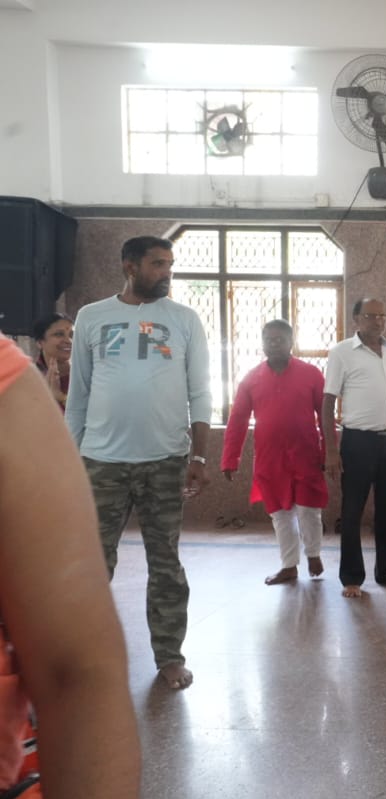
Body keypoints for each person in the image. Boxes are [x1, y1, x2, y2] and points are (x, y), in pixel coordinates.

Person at [0, 334, 141, 799]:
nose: (66, 341)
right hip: (95, 455)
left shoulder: (7, 386)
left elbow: (78, 673)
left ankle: (169, 655)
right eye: (58, 335)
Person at [65, 235, 211, 691]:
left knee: (165, 563)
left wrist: (199, 454)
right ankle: (82, 656)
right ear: (130, 266)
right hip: (101, 461)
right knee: (92, 564)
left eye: (170, 263)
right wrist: (71, 457)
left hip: (165, 461)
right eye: (157, 264)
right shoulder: (92, 316)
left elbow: (200, 391)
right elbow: (79, 395)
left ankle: (169, 656)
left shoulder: (184, 319)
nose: (167, 272)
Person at [221, 320, 329, 586]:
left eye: (280, 339)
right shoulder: (251, 378)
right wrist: (230, 458)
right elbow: (238, 419)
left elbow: (325, 417)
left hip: (306, 455)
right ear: (262, 344)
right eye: (269, 340)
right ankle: (289, 566)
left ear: (291, 342)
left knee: (309, 509)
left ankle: (313, 554)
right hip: (270, 459)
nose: (274, 344)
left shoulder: (311, 374)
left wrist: (330, 453)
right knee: (280, 514)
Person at [322, 298, 386, 599]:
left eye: (382, 315)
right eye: (370, 315)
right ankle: (352, 577)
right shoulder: (341, 353)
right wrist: (331, 451)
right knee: (352, 510)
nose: (378, 320)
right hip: (358, 442)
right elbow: (327, 403)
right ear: (356, 319)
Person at [32, 312, 72, 411]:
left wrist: (60, 397)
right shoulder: (29, 378)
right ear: (40, 342)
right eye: (59, 334)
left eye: (72, 335)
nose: (68, 340)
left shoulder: (86, 375)